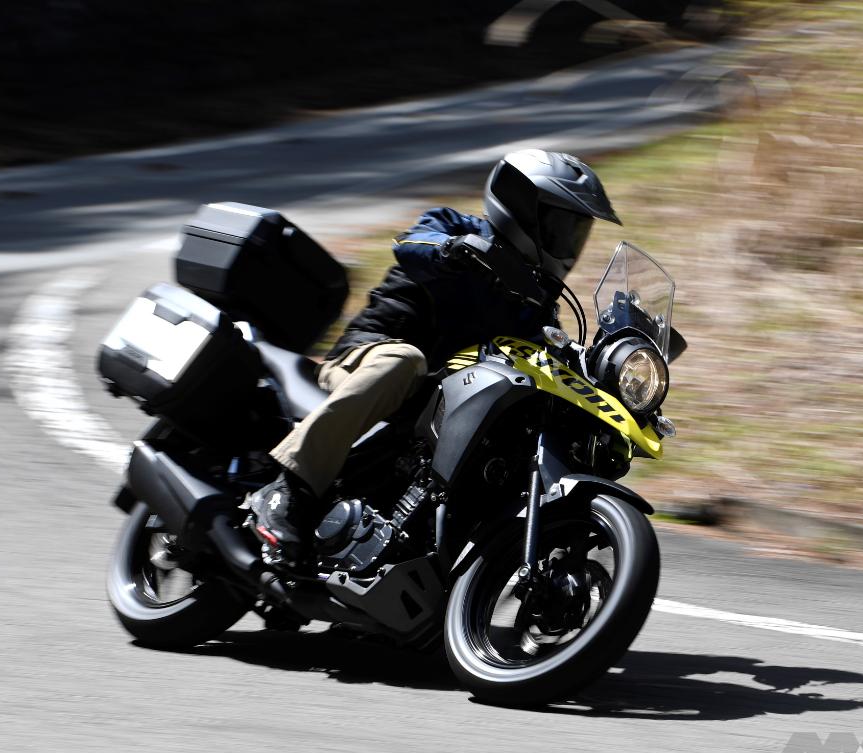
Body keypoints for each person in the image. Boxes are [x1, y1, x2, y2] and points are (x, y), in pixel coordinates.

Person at [249, 149, 621, 562]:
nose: (569, 242)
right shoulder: (455, 229)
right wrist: (454, 249)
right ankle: (288, 489)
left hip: (433, 409)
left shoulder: (535, 305)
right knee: (405, 361)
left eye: (577, 231)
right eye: (560, 225)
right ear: (520, 207)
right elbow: (412, 245)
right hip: (368, 356)